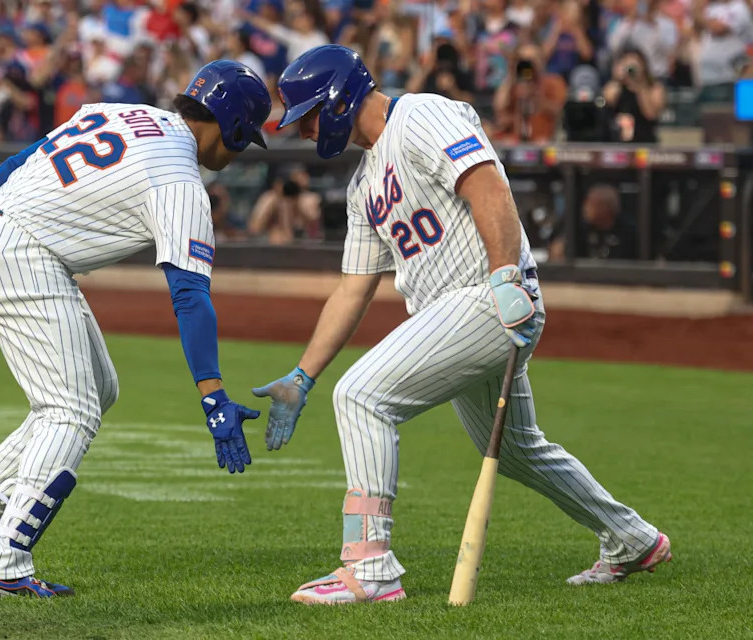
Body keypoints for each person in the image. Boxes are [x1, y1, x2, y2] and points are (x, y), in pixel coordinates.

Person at [253, 45, 671, 605]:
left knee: (361, 396)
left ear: (335, 100)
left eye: (305, 115)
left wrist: (505, 276)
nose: (302, 131)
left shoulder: (420, 114)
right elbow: (354, 287)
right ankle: (632, 538)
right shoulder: (361, 186)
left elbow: (486, 186)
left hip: (486, 298)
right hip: (452, 314)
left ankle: (369, 566)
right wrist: (301, 376)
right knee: (519, 450)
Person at [0, 60, 271, 599]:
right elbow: (189, 295)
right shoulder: (179, 177)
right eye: (244, 140)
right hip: (24, 256)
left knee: (98, 390)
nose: (239, 152)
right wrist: (213, 394)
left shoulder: (121, 111)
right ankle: (2, 561)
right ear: (235, 126)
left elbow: (18, 161)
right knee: (71, 410)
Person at [602, 48, 665, 143]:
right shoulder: (617, 85)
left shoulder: (654, 87)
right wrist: (618, 79)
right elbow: (608, 99)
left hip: (645, 141)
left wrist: (640, 85)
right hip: (617, 141)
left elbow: (650, 114)